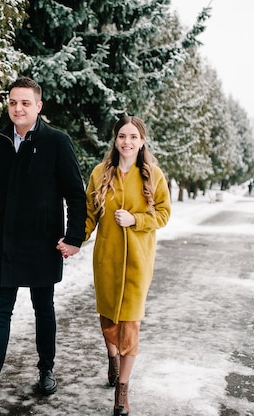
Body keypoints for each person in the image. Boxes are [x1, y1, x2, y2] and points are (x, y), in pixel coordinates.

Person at [0, 76, 86, 407]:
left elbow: (75, 194)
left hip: (44, 244)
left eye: (25, 102)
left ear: (38, 106)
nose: (18, 108)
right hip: (4, 243)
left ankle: (46, 370)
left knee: (44, 308)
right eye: (13, 102)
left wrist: (73, 238)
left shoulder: (57, 141)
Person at [70, 115, 170, 415]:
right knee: (108, 322)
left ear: (142, 142)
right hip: (107, 260)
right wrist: (76, 238)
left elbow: (163, 214)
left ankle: (122, 392)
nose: (127, 142)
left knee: (130, 326)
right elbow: (89, 213)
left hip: (139, 263)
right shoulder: (101, 172)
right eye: (122, 136)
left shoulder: (153, 175)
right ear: (115, 140)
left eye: (133, 137)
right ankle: (112, 356)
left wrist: (135, 219)